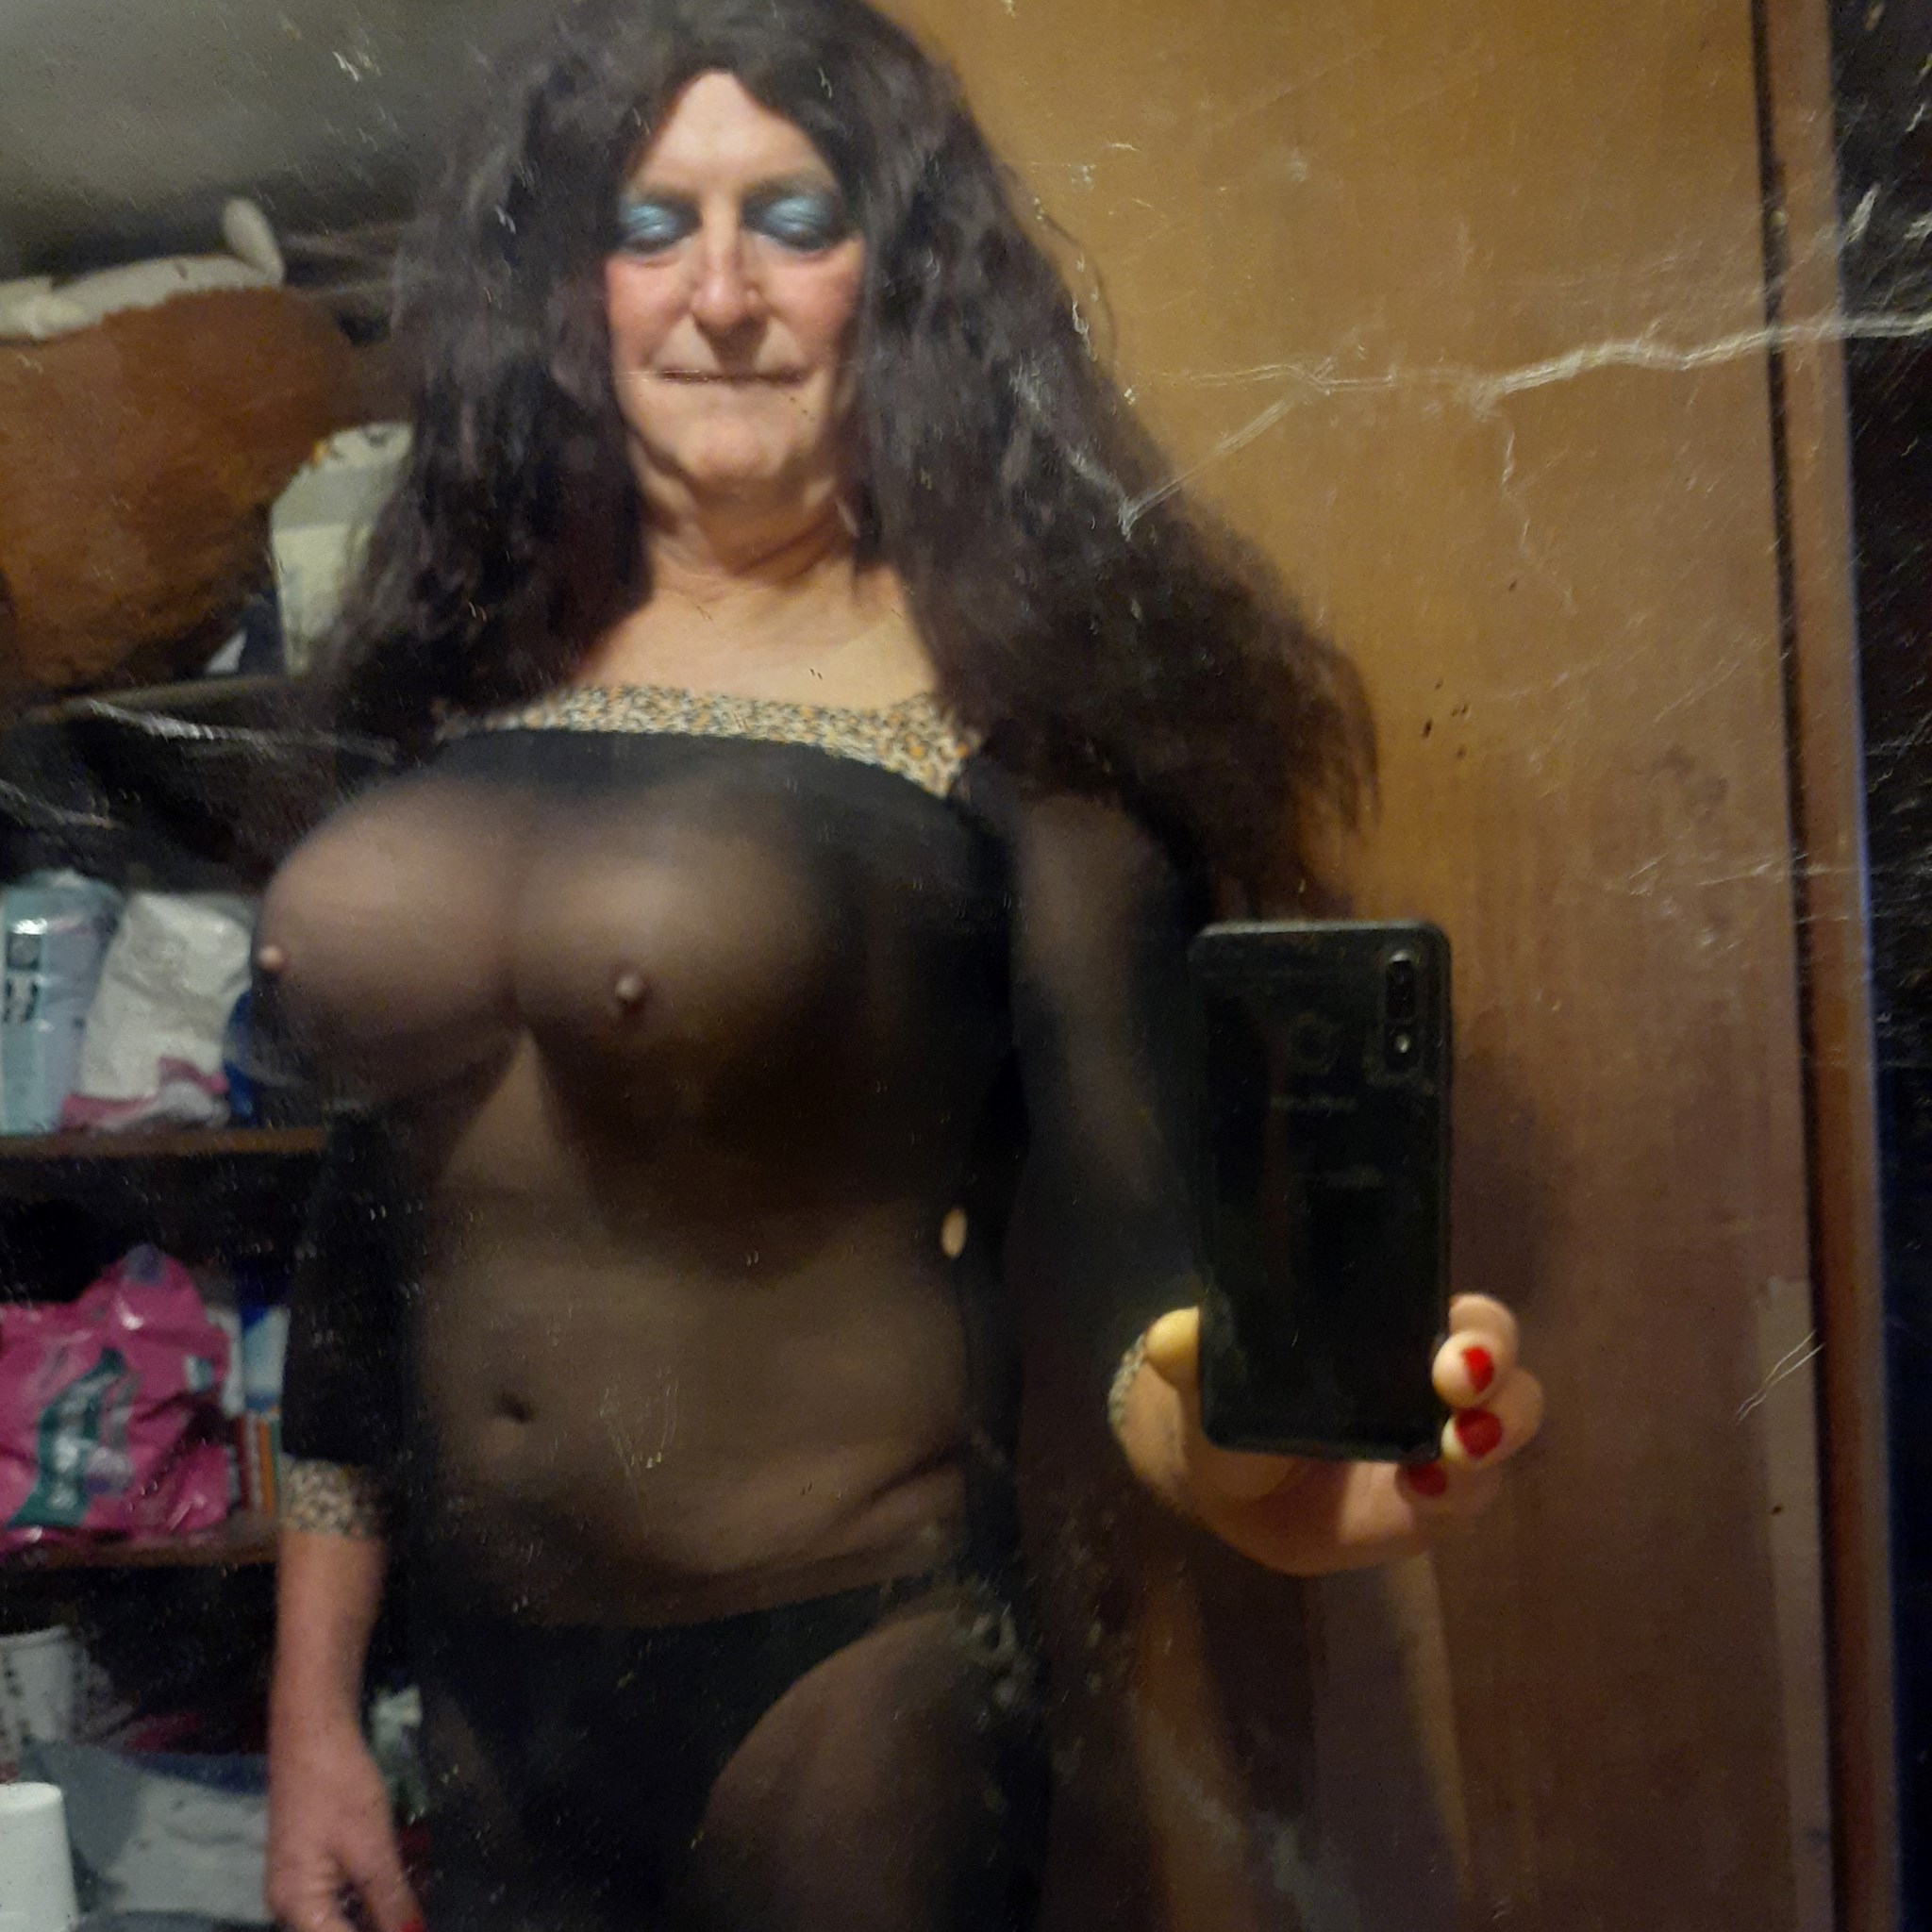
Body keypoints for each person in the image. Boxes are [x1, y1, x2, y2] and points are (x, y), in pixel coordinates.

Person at [259, 3, 1543, 1928]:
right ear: (572, 287)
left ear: (901, 275)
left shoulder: (1011, 725)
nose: (719, 296)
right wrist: (309, 1720)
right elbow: (368, 1246)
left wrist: (1263, 1471)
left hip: (848, 1690)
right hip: (481, 1698)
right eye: (649, 225)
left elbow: (1130, 1249)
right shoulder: (458, 673)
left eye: (793, 219)